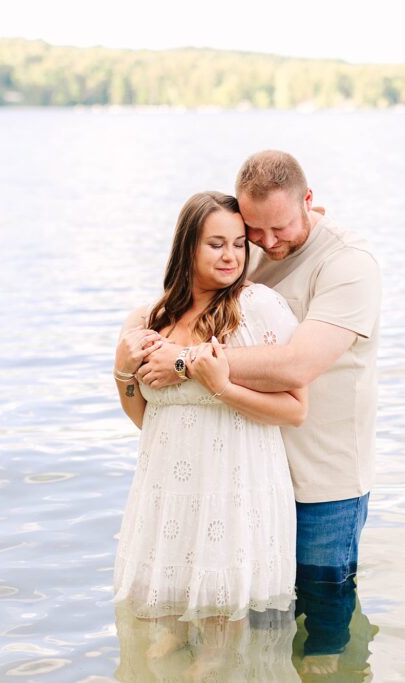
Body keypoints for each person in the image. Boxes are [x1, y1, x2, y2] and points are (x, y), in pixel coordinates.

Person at [138, 151, 381, 673]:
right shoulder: (243, 245)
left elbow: (295, 366)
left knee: (322, 620)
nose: (266, 244)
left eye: (280, 228)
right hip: (248, 470)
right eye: (255, 231)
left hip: (323, 473)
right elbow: (190, 297)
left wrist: (184, 362)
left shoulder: (349, 264)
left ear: (308, 202)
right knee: (263, 617)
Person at [112, 191, 307, 662]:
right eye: (216, 244)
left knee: (216, 657)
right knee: (160, 648)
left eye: (239, 244)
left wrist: (219, 386)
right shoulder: (150, 319)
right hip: (170, 493)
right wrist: (121, 371)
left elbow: (295, 410)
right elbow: (148, 420)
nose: (231, 256)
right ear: (187, 247)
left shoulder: (256, 306)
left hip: (234, 492)